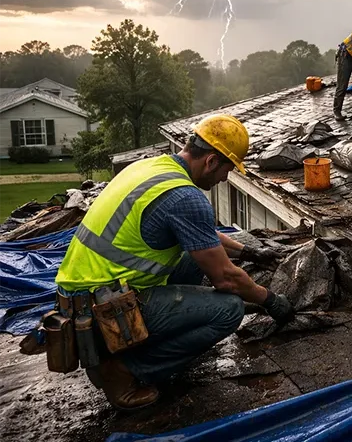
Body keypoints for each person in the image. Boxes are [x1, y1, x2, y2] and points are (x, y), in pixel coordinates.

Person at [53, 114, 294, 410]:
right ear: (211, 162)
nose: (224, 179)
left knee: (193, 258)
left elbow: (200, 235)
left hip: (82, 298)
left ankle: (137, 347)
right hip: (103, 312)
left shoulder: (153, 167)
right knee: (229, 310)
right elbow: (226, 279)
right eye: (227, 170)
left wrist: (249, 253)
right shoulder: (185, 198)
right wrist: (269, 300)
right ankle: (123, 372)